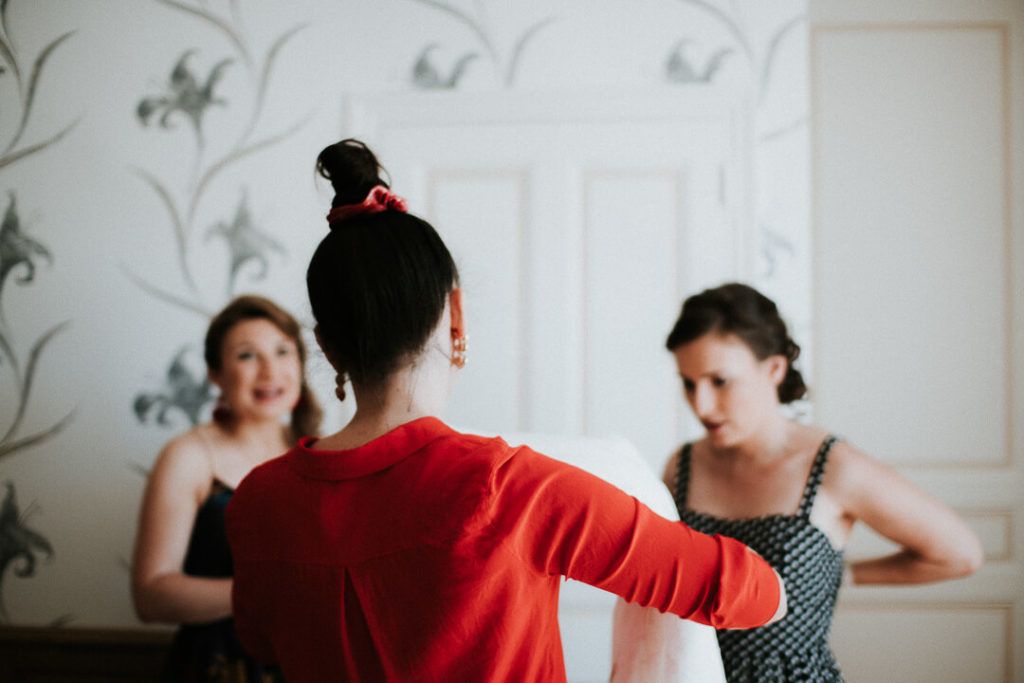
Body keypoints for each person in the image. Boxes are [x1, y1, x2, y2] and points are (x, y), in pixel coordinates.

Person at [224, 139, 787, 683]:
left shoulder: (257, 501)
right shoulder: (507, 488)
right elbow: (743, 590)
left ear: (324, 344)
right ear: (456, 315)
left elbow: (258, 639)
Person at [661, 282, 984, 682]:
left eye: (720, 380)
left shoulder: (832, 467)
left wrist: (842, 575)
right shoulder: (683, 465)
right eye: (689, 383)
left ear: (774, 369)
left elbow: (960, 554)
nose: (702, 405)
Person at [131, 294, 322, 682]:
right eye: (247, 355)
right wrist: (267, 593)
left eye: (284, 351)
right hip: (218, 666)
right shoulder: (188, 457)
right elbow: (150, 595)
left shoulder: (321, 453)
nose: (270, 370)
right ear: (215, 374)